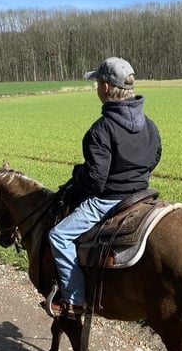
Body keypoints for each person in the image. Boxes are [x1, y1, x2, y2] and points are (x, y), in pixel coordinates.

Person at [48, 57, 162, 317]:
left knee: (58, 236)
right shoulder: (150, 125)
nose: (97, 88)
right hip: (143, 196)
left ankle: (75, 300)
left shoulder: (101, 130)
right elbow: (155, 157)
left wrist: (78, 177)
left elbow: (96, 180)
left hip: (110, 200)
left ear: (107, 88)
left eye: (98, 82)